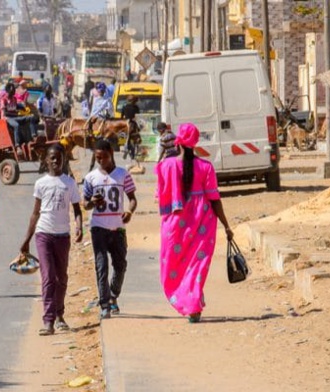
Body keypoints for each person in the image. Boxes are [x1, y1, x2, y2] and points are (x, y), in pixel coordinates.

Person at [155, 123, 233, 323]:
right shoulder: (206, 167)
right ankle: (194, 302)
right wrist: (226, 225)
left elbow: (160, 195)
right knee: (196, 265)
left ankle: (190, 301)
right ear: (196, 142)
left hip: (175, 225)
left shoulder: (166, 166)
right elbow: (214, 199)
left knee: (176, 265)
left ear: (178, 141)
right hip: (203, 222)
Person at [20, 143, 83, 336]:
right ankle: (48, 321)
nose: (56, 161)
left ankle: (59, 314)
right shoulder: (41, 184)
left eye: (59, 158)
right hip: (43, 234)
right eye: (52, 158)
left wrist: (79, 226)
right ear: (47, 160)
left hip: (63, 236)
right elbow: (35, 213)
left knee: (61, 277)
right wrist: (26, 240)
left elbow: (77, 210)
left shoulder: (69, 183)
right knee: (48, 278)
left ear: (64, 160)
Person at [82, 139, 138, 319]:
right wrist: (92, 202)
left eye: (104, 157)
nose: (101, 161)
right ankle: (104, 304)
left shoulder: (123, 174)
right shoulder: (91, 177)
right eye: (98, 158)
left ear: (111, 154)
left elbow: (132, 198)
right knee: (101, 266)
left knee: (120, 265)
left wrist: (129, 211)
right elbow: (85, 204)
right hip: (98, 228)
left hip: (118, 228)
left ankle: (113, 295)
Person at [121, 95, 141, 162]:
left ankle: (127, 149)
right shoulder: (136, 107)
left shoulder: (124, 107)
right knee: (135, 139)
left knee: (126, 139)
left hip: (125, 124)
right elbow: (138, 116)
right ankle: (132, 152)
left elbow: (122, 116)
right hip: (134, 124)